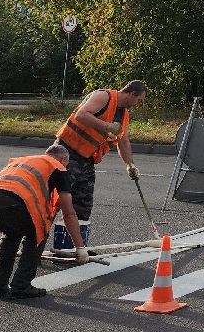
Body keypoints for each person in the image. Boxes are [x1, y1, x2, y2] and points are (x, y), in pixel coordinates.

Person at [0, 143, 87, 300]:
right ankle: (21, 285)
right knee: (39, 231)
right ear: (63, 159)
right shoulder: (59, 167)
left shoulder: (25, 160)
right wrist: (80, 248)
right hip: (12, 201)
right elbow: (69, 213)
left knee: (11, 234)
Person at [54, 80, 147, 250]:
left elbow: (123, 140)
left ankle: (74, 249)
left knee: (83, 204)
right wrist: (105, 126)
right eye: (139, 100)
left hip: (87, 160)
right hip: (66, 154)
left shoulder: (123, 114)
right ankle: (32, 247)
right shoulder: (103, 96)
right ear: (131, 93)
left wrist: (130, 165)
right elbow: (81, 115)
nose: (138, 105)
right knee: (53, 202)